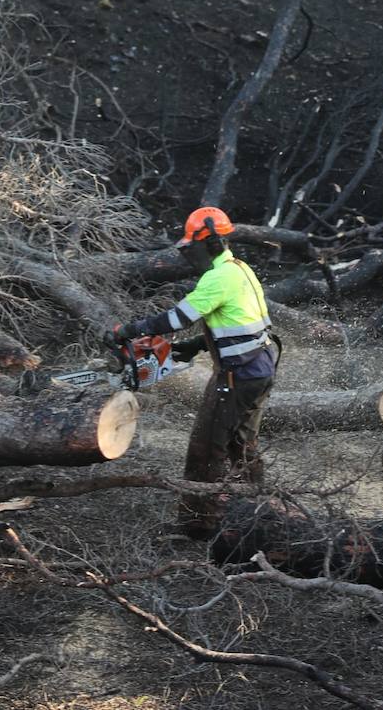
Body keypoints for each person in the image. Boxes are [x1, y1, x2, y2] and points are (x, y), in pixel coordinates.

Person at [109, 205, 278, 535]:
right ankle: (258, 514)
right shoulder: (240, 269)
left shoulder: (217, 279)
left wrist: (127, 330)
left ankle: (198, 524)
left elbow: (174, 319)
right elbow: (240, 323)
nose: (189, 254)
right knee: (243, 445)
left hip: (236, 375)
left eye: (192, 246)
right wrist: (199, 345)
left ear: (208, 243)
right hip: (260, 368)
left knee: (205, 449)